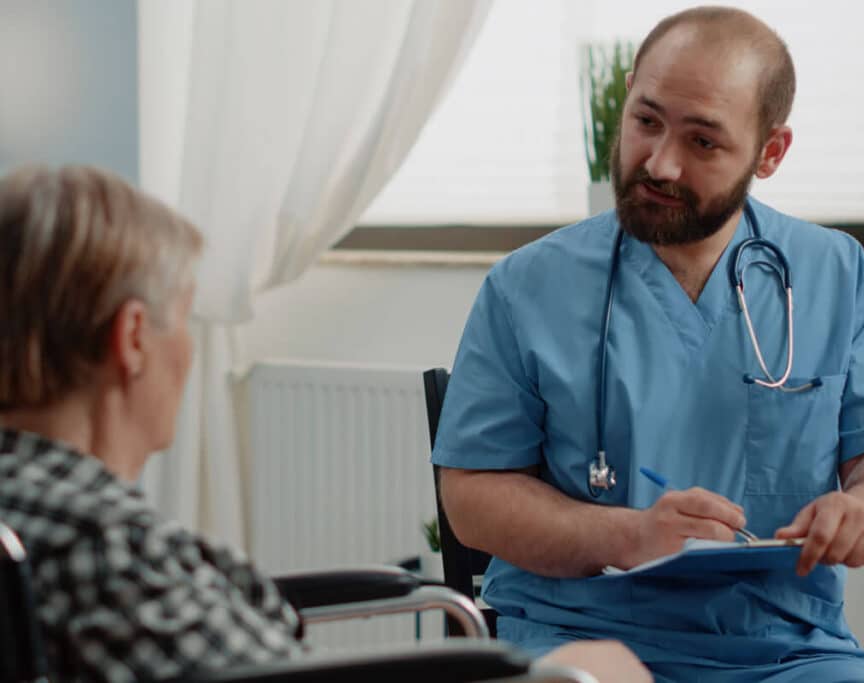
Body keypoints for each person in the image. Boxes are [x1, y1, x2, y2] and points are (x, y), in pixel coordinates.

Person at [432, 6, 864, 683]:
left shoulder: (837, 276)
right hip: (579, 635)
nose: (660, 163)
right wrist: (627, 535)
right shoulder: (527, 287)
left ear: (770, 151)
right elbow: (472, 496)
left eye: (703, 143)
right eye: (647, 121)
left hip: (784, 648)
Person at [0, 165, 651, 683]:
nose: (190, 350)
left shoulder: (28, 501)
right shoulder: (100, 543)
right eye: (185, 315)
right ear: (134, 337)